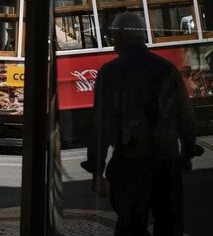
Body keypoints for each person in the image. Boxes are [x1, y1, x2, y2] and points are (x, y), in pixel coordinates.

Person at [82, 12, 197, 236]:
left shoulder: (110, 73)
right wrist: (188, 152)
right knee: (169, 224)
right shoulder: (166, 68)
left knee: (131, 226)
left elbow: (101, 125)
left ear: (119, 37)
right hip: (166, 160)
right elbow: (185, 115)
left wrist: (97, 170)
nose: (111, 41)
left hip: (129, 163)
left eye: (112, 36)